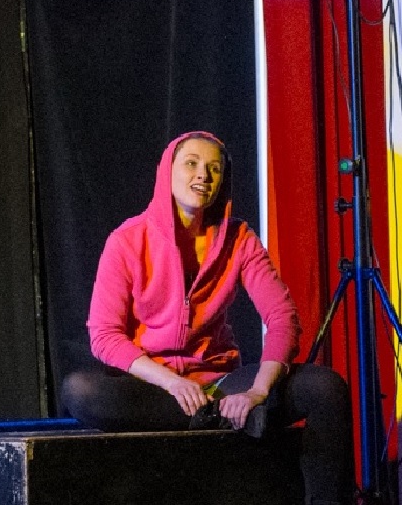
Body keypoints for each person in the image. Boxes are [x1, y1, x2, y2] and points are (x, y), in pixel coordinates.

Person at [61, 131, 354, 505]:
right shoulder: (127, 241)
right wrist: (172, 383)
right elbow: (104, 336)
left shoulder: (239, 239)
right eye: (192, 163)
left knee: (326, 387)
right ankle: (218, 417)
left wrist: (258, 391)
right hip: (155, 389)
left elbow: (282, 317)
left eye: (215, 168)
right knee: (81, 391)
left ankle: (222, 414)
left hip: (221, 385)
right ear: (167, 172)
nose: (204, 175)